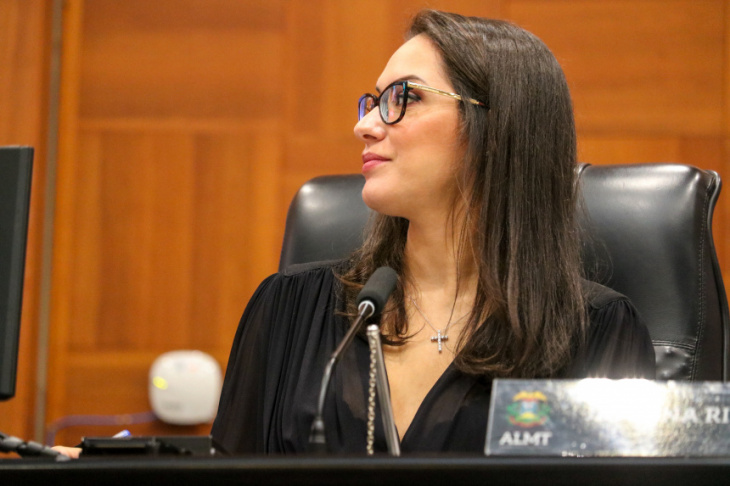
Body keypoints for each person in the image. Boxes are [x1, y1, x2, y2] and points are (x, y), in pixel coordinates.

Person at [54, 9, 655, 459]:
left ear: (498, 126)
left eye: (402, 98)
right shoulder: (290, 311)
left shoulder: (593, 332)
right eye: (372, 101)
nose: (365, 125)